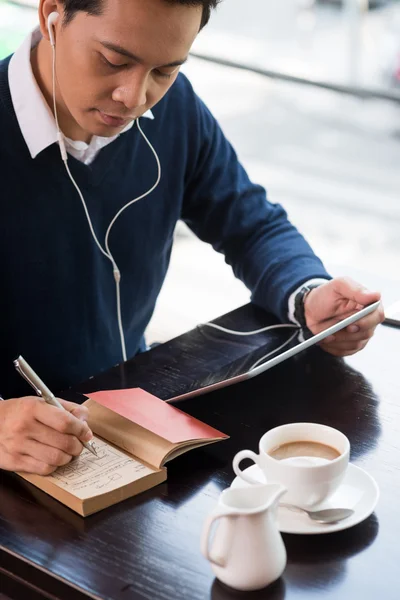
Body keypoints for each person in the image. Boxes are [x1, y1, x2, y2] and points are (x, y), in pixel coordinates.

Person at [0, 0, 384, 475]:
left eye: (164, 70)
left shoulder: (176, 111)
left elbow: (249, 222)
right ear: (52, 13)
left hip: (127, 420)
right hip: (22, 462)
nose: (134, 97)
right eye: (114, 61)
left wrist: (307, 293)